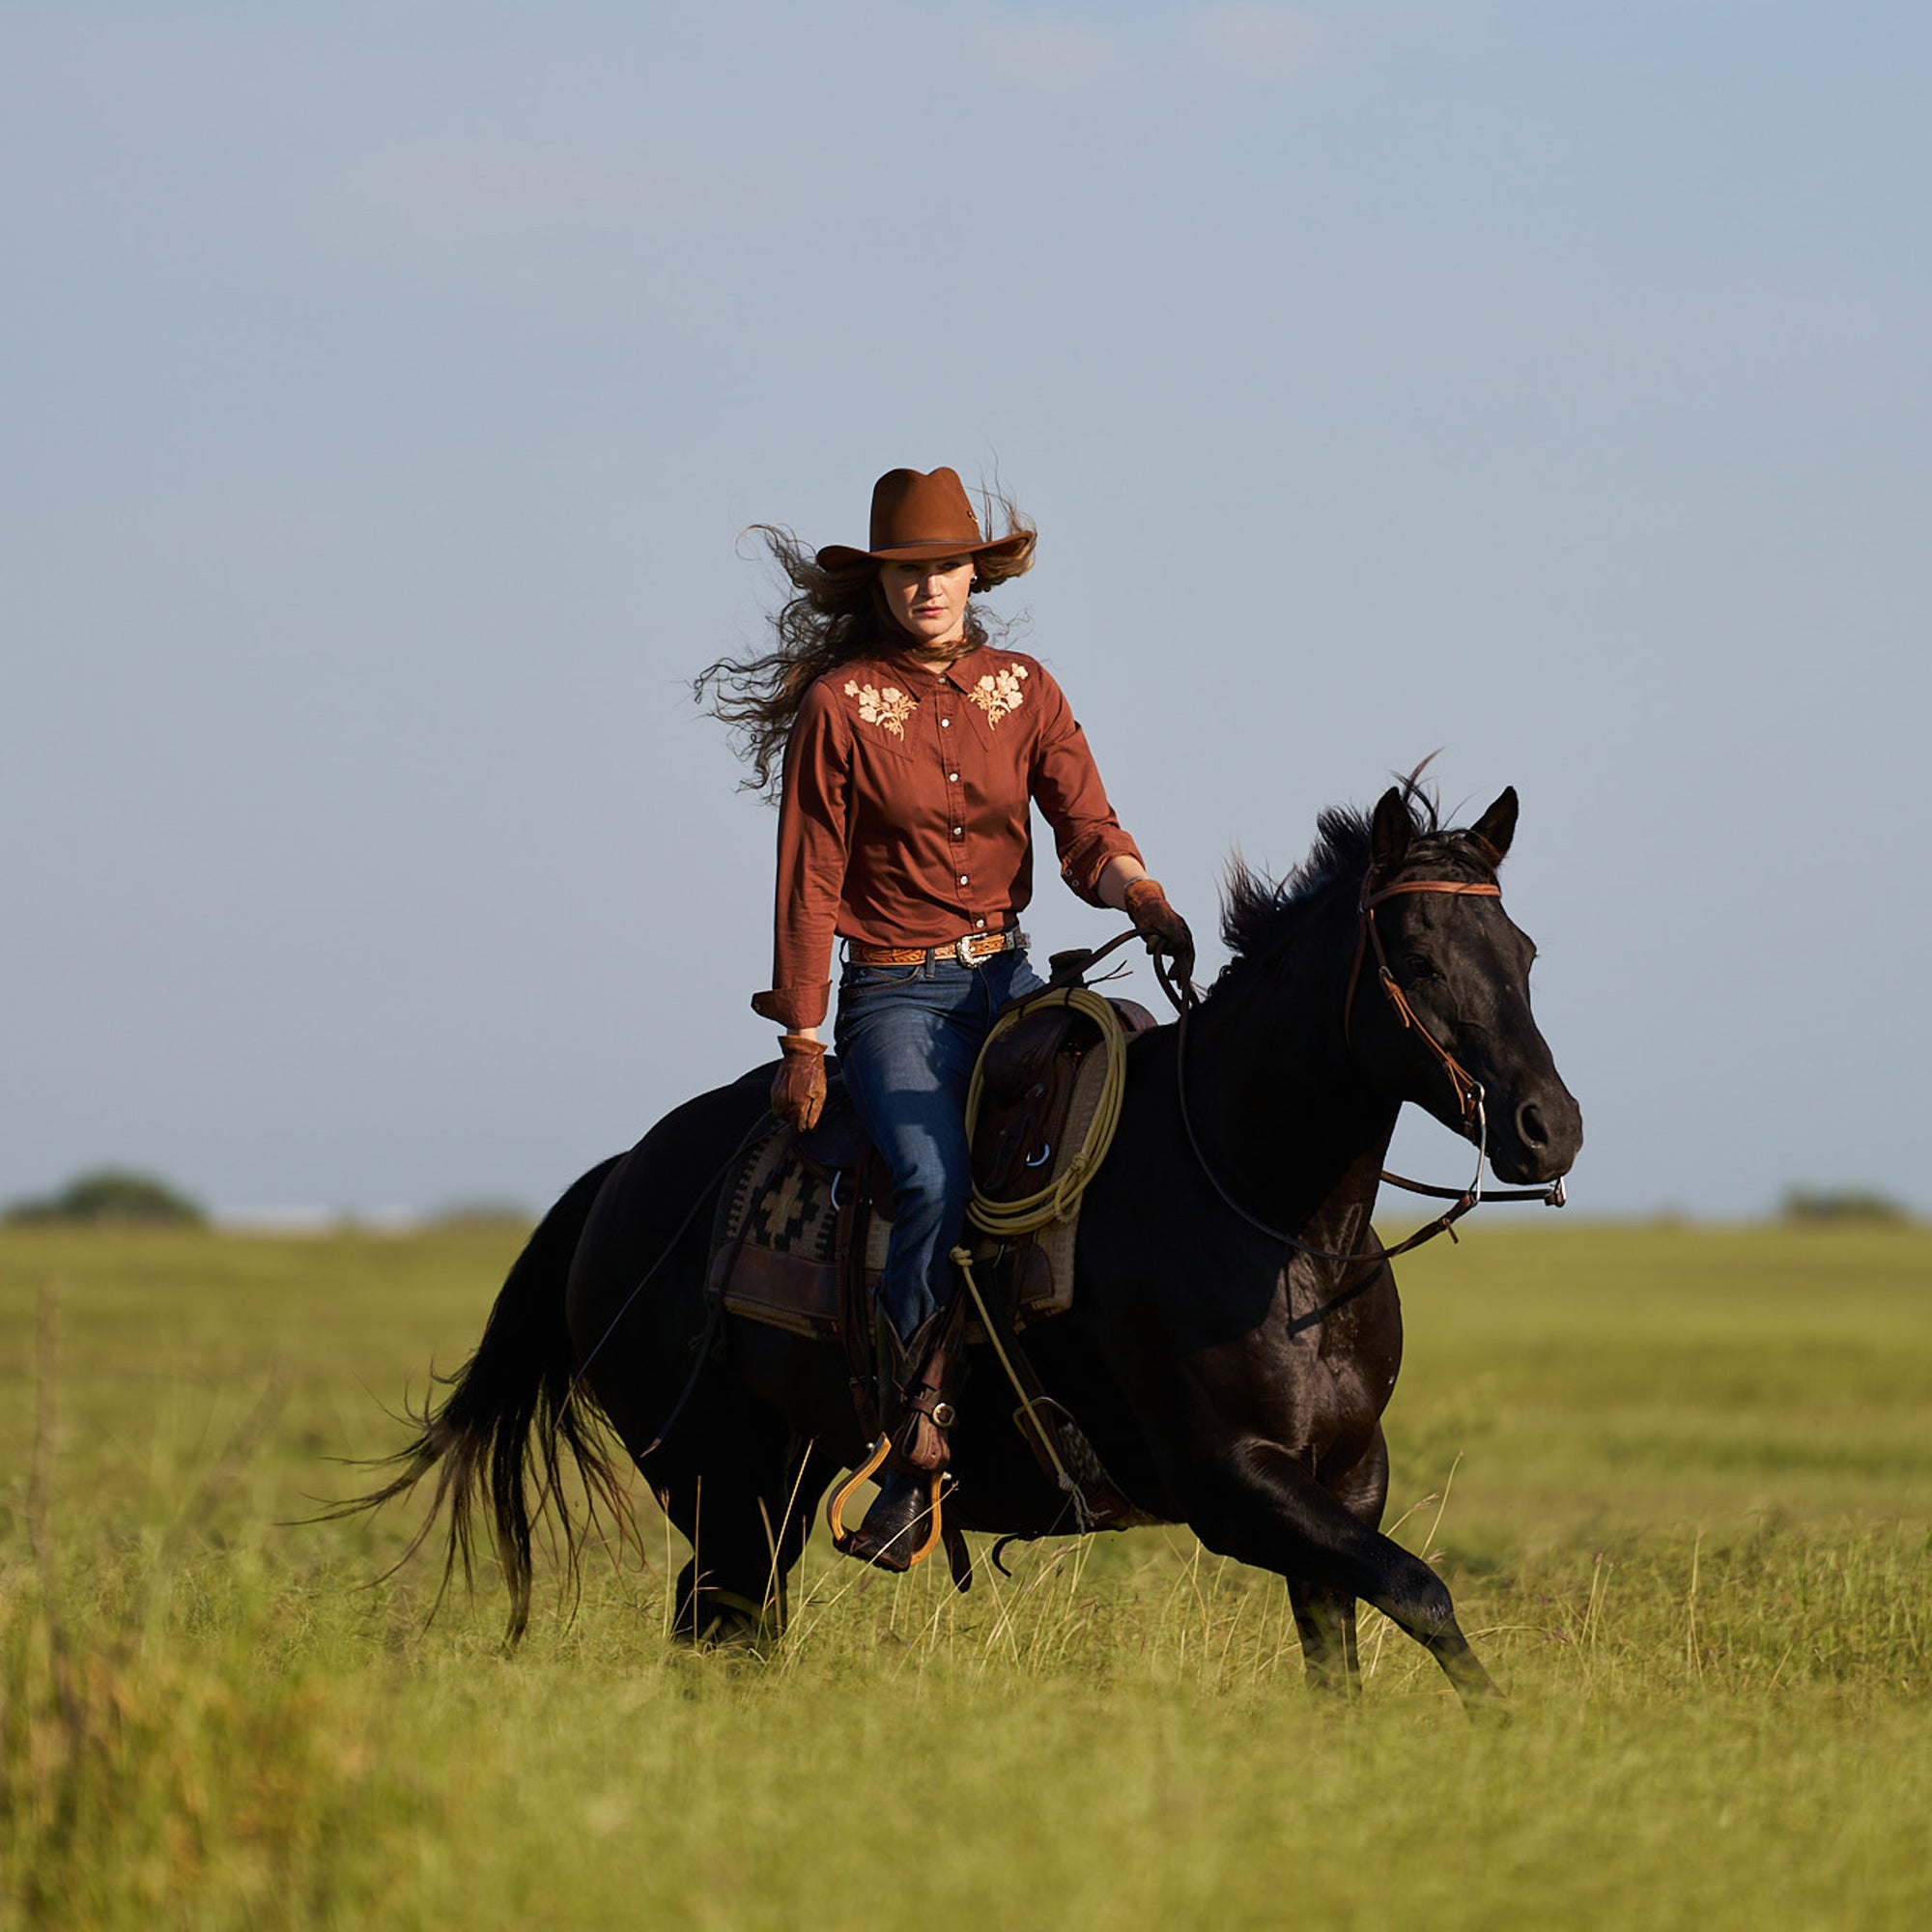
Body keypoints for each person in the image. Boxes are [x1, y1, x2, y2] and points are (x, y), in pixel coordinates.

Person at [697, 466, 1193, 1567]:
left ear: (977, 572)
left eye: (944, 566)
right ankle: (912, 1437)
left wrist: (1139, 891)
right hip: (893, 993)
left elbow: (1084, 829)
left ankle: (1099, 1386)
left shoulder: (1026, 688)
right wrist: (803, 1034)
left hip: (1007, 978)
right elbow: (808, 879)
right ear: (883, 584)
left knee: (1133, 1096)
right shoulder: (839, 707)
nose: (929, 586)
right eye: (908, 570)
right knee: (928, 1177)